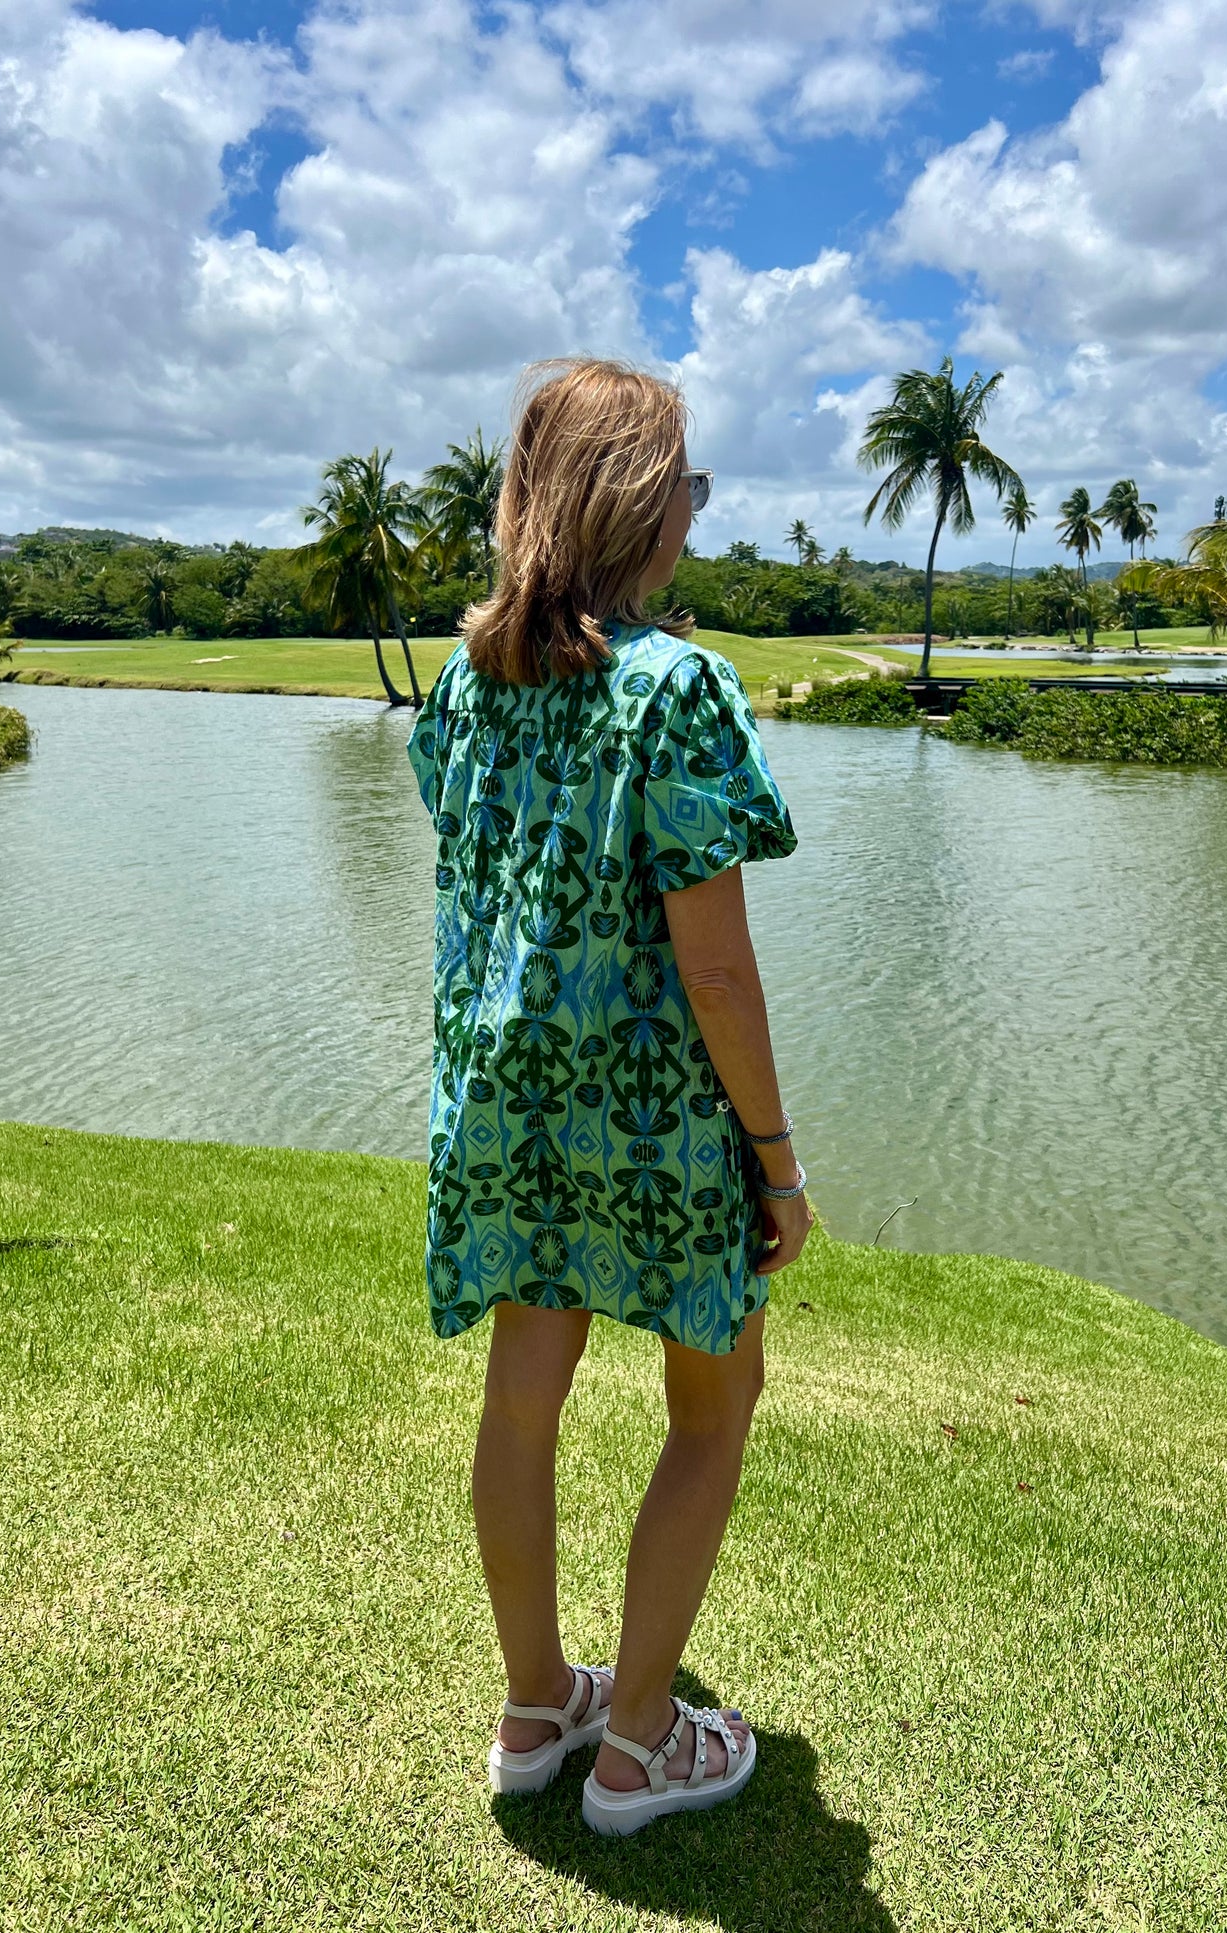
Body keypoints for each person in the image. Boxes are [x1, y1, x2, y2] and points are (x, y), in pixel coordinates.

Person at [407, 356, 813, 1838]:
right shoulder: (678, 689)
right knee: (715, 1400)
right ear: (639, 505)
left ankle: (538, 1708)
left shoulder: (467, 684)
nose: (694, 514)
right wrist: (775, 1161)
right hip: (652, 1115)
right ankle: (638, 1742)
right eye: (686, 486)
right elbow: (714, 968)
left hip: (509, 1105)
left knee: (523, 1396)